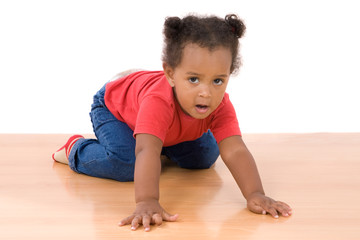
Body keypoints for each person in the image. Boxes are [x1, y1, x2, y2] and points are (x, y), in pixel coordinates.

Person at [52, 13, 292, 232]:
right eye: (194, 79)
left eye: (218, 81)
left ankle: (160, 143)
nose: (206, 93)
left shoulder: (219, 104)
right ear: (170, 74)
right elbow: (146, 149)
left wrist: (255, 193)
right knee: (127, 163)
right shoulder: (158, 101)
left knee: (206, 155)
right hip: (115, 108)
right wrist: (147, 200)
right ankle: (76, 149)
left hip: (159, 120)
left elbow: (235, 149)